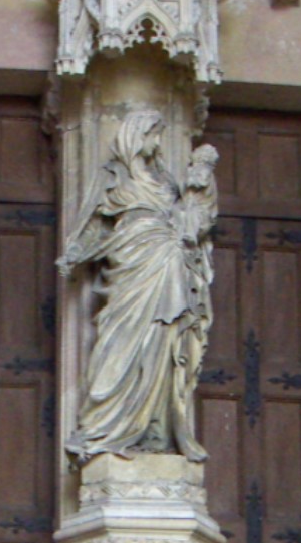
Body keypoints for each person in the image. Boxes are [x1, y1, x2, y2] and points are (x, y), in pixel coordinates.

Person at [58, 110, 213, 463]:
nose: (157, 142)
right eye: (152, 134)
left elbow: (189, 221)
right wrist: (74, 254)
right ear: (135, 135)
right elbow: (94, 224)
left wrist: (199, 195)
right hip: (130, 267)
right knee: (119, 342)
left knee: (161, 340)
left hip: (167, 266)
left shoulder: (167, 182)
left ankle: (152, 429)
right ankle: (103, 429)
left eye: (160, 134)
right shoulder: (115, 177)